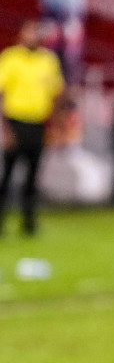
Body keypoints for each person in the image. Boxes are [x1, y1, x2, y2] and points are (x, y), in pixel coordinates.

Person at [0, 20, 64, 236]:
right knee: (7, 177)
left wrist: (54, 127)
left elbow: (56, 94)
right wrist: (6, 130)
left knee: (32, 178)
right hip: (16, 122)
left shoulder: (48, 60)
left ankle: (29, 224)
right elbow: (2, 94)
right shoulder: (10, 58)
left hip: (38, 124)